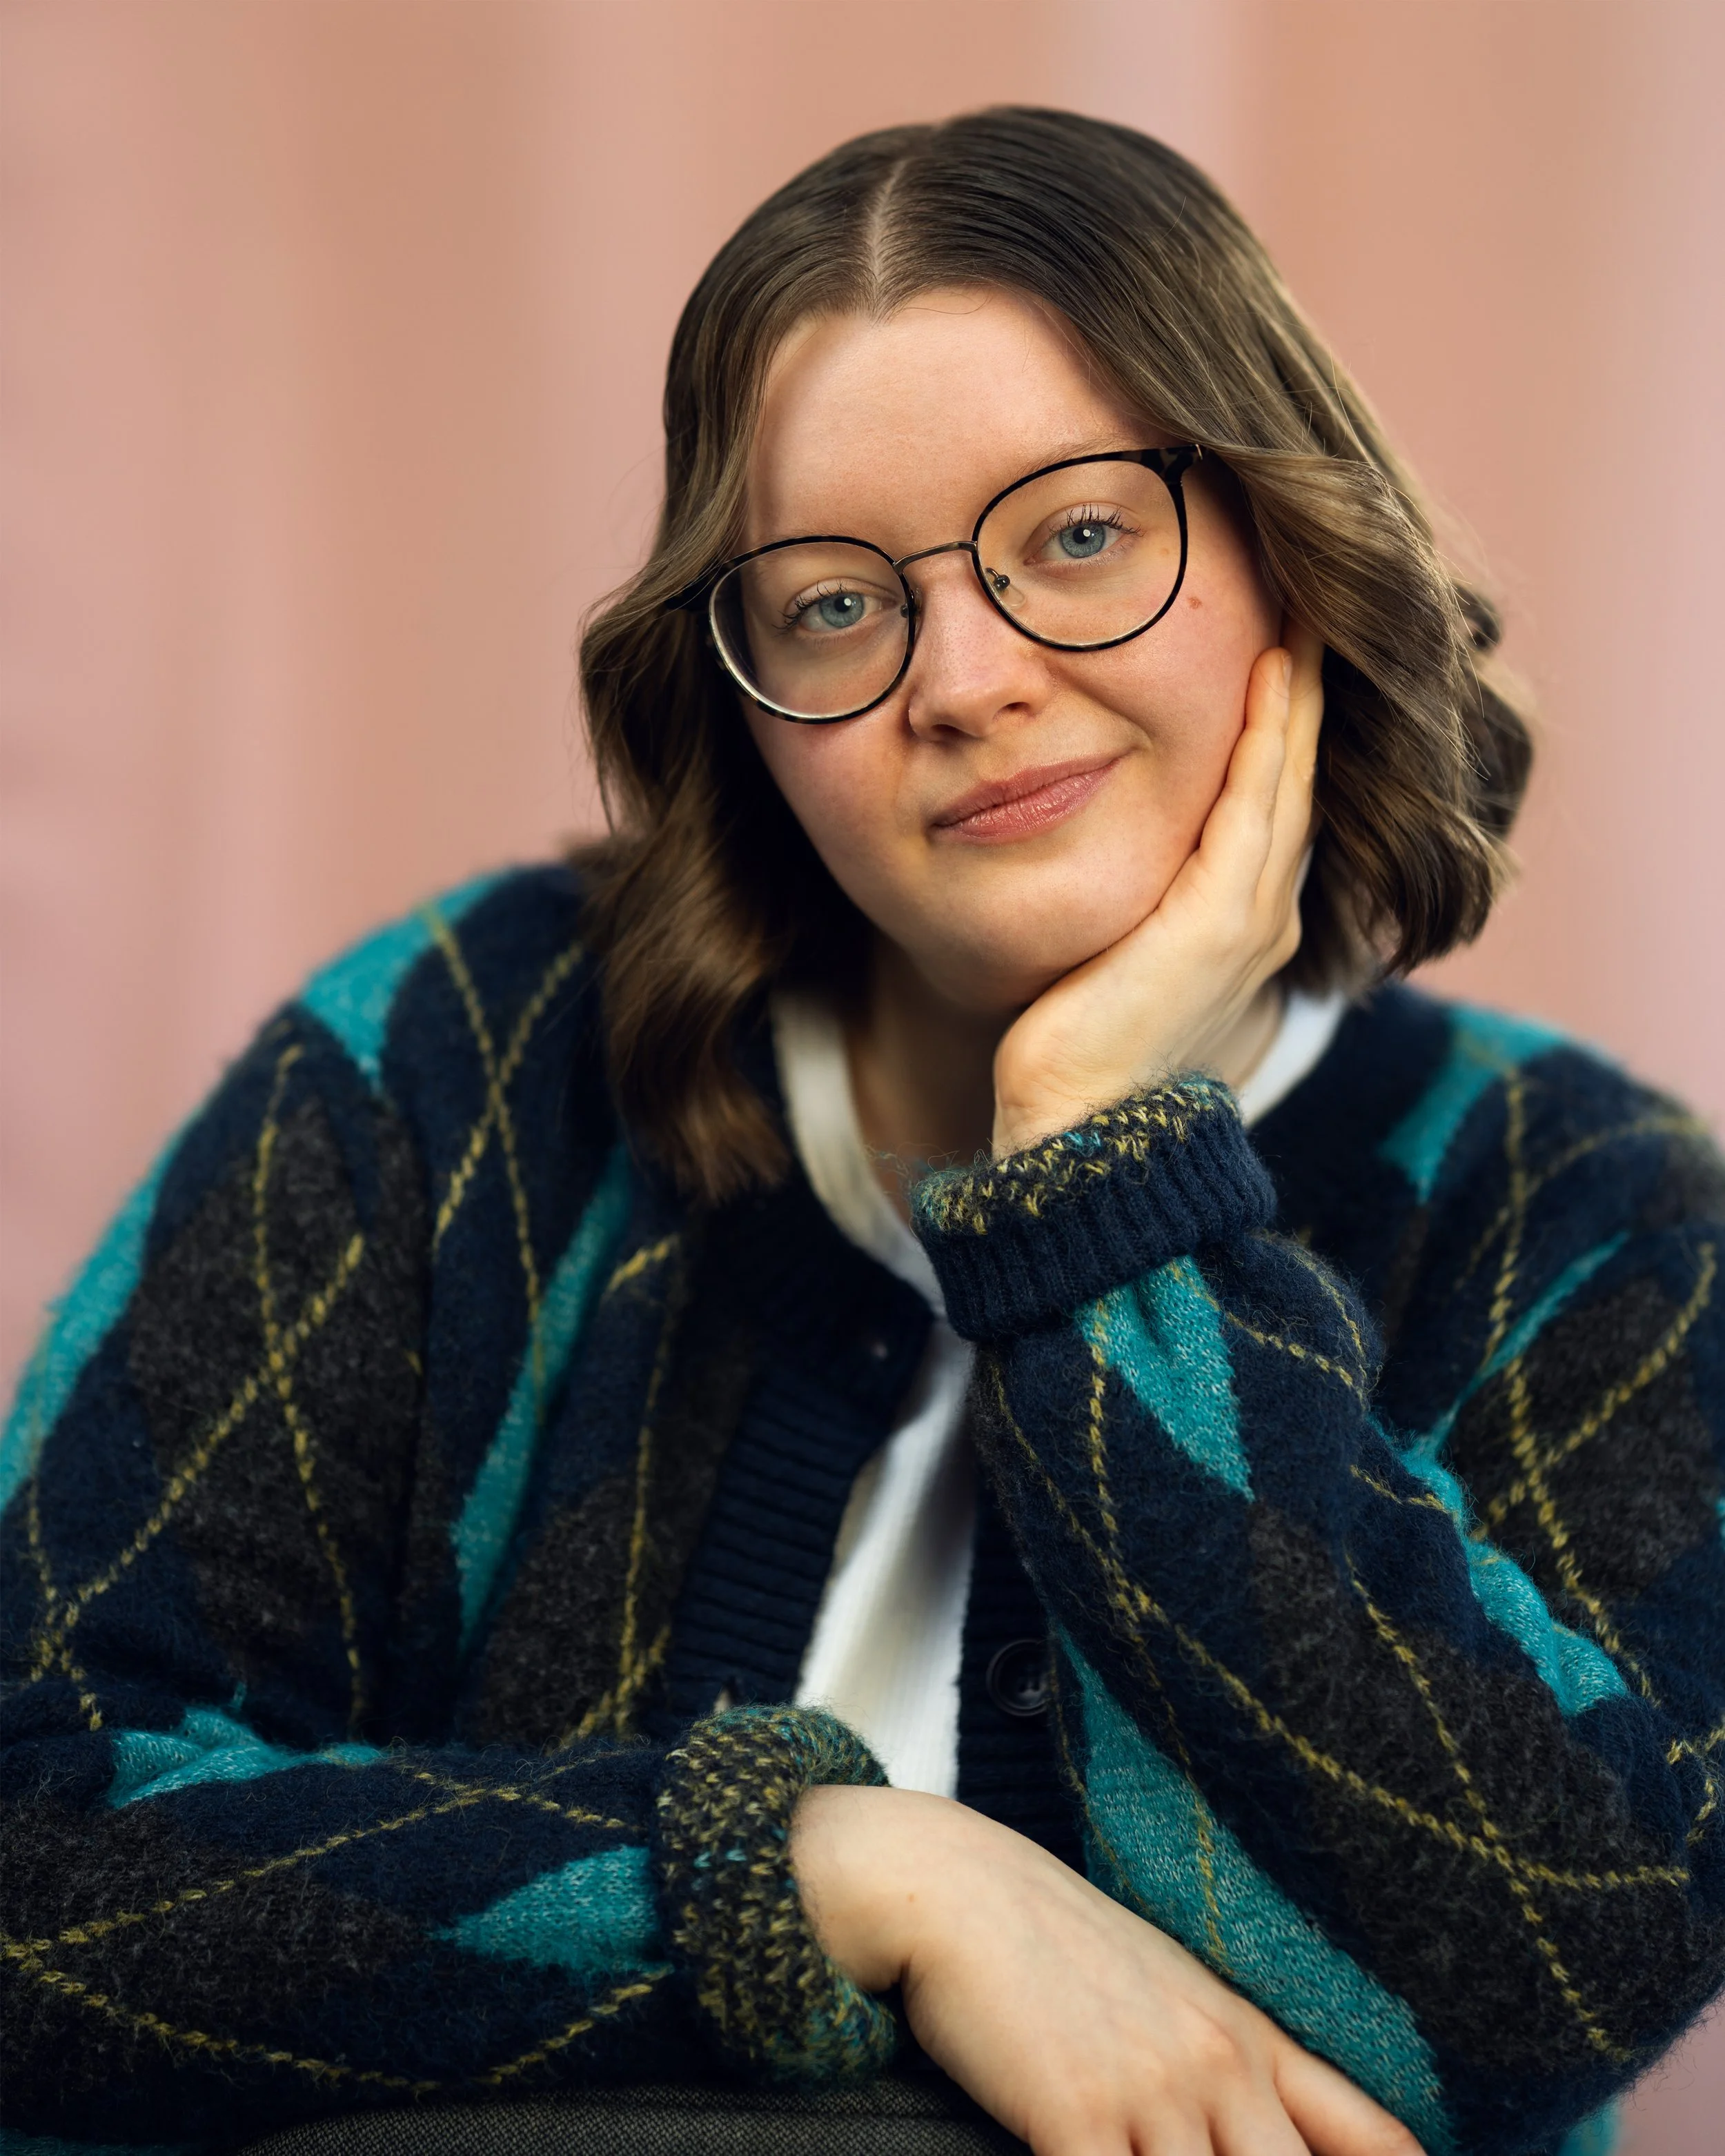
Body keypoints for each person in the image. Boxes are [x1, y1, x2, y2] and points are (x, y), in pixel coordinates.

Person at [3, 106, 1721, 2156]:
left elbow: (1546, 1976)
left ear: (1288, 547)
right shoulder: (468, 1057)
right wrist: (828, 1872)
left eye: (1078, 534)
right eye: (831, 605)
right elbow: (41, 1852)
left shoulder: (1590, 1212)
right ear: (738, 699)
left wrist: (1104, 1180)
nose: (965, 681)